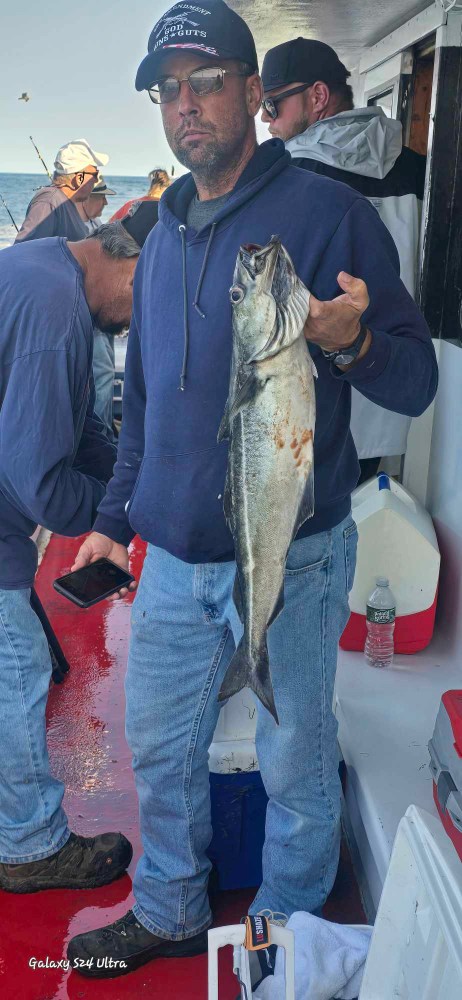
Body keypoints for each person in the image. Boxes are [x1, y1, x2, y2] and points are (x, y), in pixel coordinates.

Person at [67, 0, 437, 980]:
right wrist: (110, 528)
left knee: (297, 758)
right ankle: (172, 907)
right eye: (167, 90)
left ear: (251, 91)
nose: (186, 106)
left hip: (299, 556)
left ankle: (283, 934)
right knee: (157, 748)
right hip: (174, 566)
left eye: (206, 81)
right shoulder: (159, 235)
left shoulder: (329, 215)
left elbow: (413, 379)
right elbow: (141, 406)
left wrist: (348, 337)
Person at [0, 215, 154, 895]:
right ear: (126, 259)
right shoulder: (59, 314)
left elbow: (78, 426)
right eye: (148, 296)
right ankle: (30, 848)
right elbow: (40, 481)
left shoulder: (42, 264)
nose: (143, 321)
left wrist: (132, 484)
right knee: (18, 669)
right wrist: (118, 520)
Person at [261, 38, 427, 483]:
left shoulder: (288, 174)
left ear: (317, 97)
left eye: (273, 104)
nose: (264, 118)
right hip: (389, 395)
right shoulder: (420, 169)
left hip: (319, 409)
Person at [78, 177, 119, 438]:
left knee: (106, 370)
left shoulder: (96, 225)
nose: (105, 201)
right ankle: (101, 433)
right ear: (87, 196)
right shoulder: (76, 227)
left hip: (102, 313)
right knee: (102, 374)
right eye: (101, 196)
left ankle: (103, 427)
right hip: (90, 315)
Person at [15, 138, 109, 243]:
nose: (96, 180)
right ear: (79, 179)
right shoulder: (49, 201)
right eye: (94, 174)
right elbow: (24, 249)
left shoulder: (65, 202)